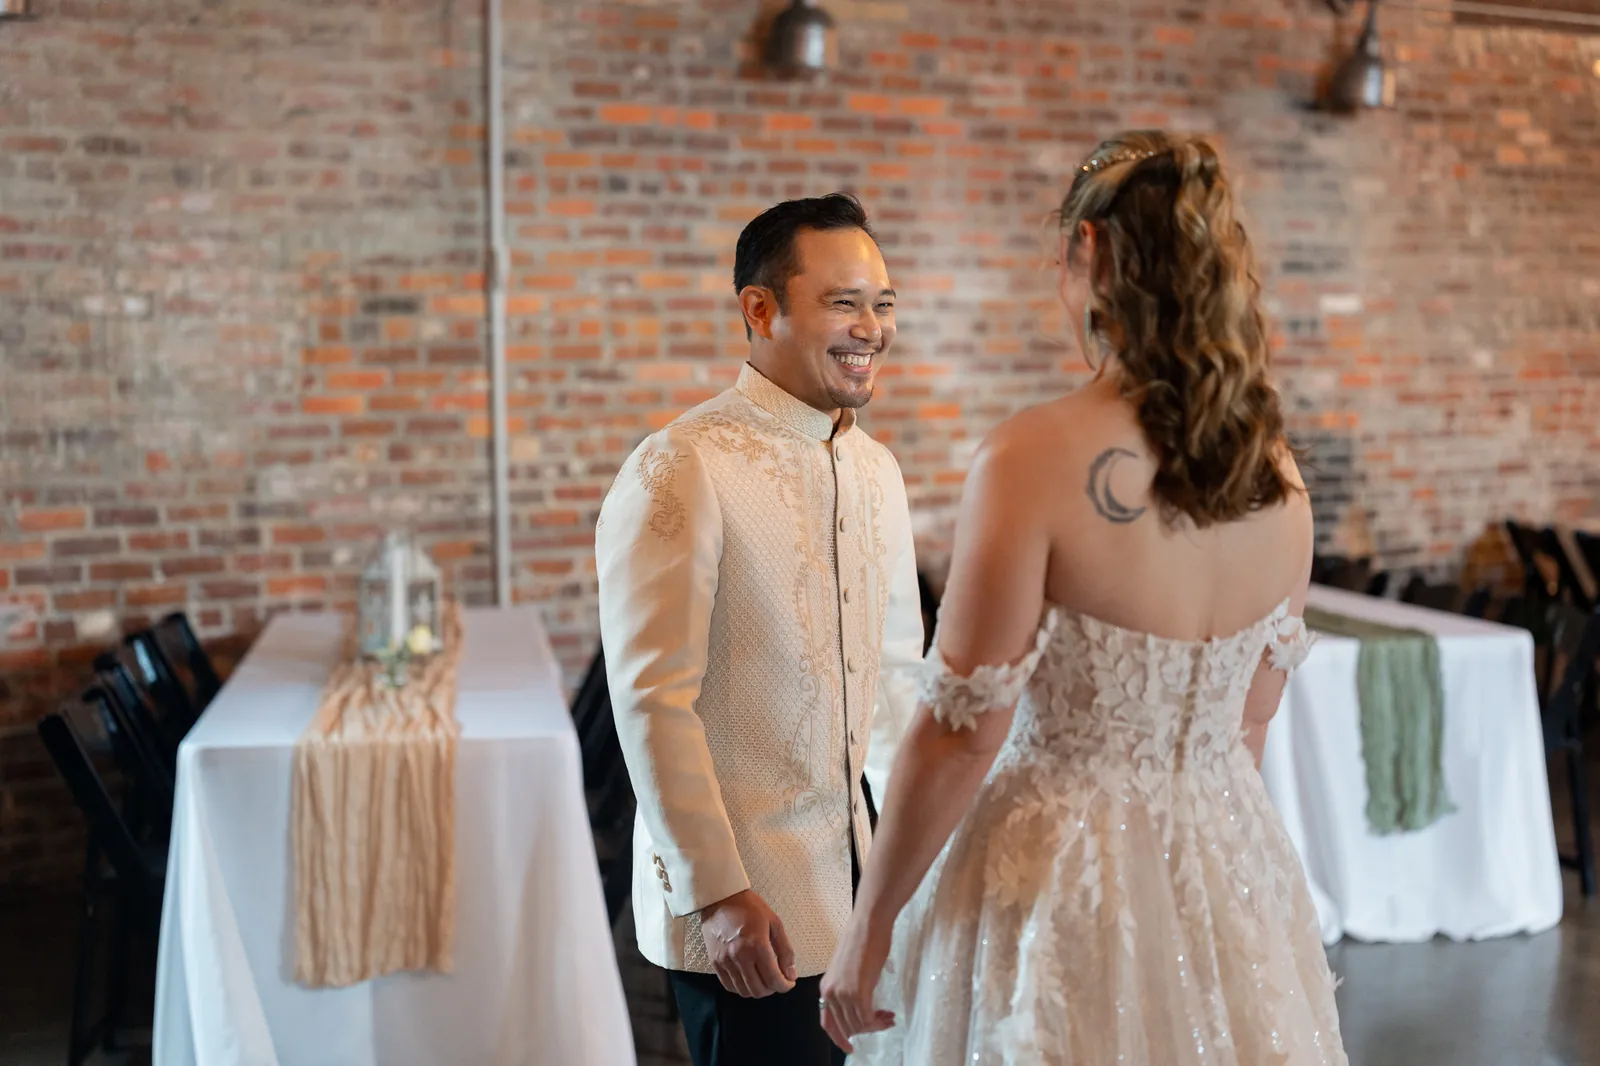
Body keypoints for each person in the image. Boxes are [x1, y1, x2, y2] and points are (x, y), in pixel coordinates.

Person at [819, 132, 1349, 1065]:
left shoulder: (1032, 458)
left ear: (1093, 256)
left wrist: (869, 929)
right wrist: (1193, 879)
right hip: (1225, 872)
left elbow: (961, 734)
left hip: (1059, 877)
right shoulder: (1280, 481)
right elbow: (1249, 729)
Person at [595, 193, 924, 1066]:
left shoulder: (878, 472)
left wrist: (908, 873)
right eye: (844, 302)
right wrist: (717, 893)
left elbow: (898, 682)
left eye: (883, 304)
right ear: (759, 308)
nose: (872, 328)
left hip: (863, 892)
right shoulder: (681, 465)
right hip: (750, 916)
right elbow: (651, 700)